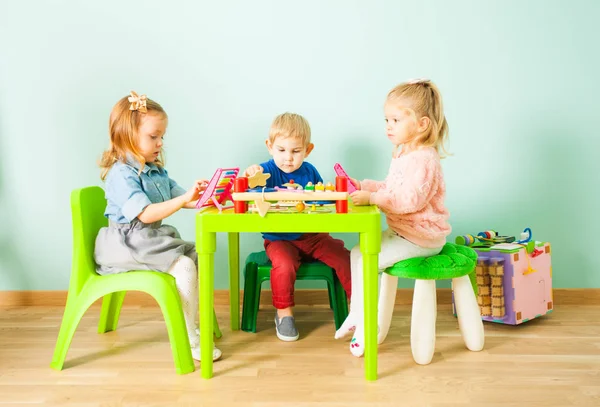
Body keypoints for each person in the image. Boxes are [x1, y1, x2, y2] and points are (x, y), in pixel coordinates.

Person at [94, 91, 221, 361]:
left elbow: (181, 198)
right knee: (184, 265)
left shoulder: (154, 169)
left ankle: (194, 322)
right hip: (126, 243)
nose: (160, 143)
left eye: (162, 137)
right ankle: (189, 338)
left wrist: (205, 196)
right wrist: (185, 198)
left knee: (197, 255)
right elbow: (146, 214)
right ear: (127, 135)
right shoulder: (121, 173)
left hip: (147, 239)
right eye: (154, 136)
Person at [334, 79, 452, 357]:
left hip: (421, 237)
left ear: (421, 124)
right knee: (357, 252)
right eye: (387, 119)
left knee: (369, 261)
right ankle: (356, 314)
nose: (388, 125)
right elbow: (391, 188)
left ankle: (365, 328)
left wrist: (373, 199)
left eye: (396, 119)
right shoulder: (403, 154)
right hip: (403, 233)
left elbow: (409, 200)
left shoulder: (425, 159)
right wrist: (363, 185)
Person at [243, 112, 352, 342]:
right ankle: (284, 315)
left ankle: (359, 307)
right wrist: (252, 174)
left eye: (296, 151)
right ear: (270, 146)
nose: (288, 158)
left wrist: (330, 197)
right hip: (279, 239)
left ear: (308, 150)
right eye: (281, 150)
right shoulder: (266, 171)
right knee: (283, 264)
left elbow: (323, 200)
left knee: (344, 257)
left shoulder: (309, 171)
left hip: (312, 236)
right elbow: (251, 192)